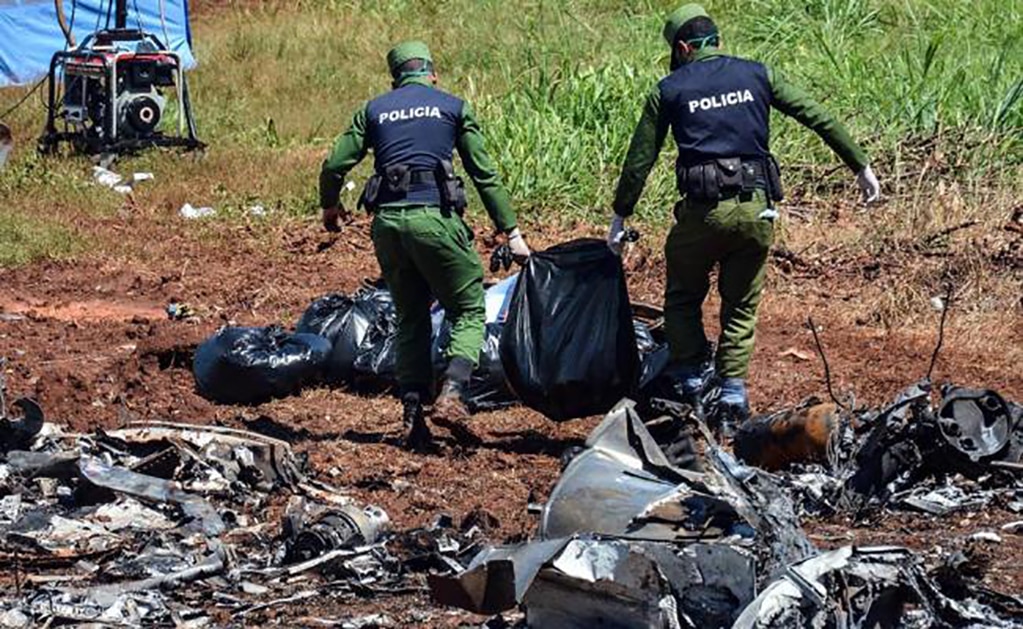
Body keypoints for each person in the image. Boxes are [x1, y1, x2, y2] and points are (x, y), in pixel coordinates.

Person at [607, 4, 880, 435]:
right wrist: (860, 165)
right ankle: (732, 396)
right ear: (717, 41)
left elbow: (641, 158)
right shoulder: (757, 74)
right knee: (740, 306)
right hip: (756, 210)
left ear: (682, 48)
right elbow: (818, 116)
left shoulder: (670, 89)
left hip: (702, 214)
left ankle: (691, 383)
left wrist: (621, 214)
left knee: (682, 298)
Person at [320, 41, 529, 451]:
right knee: (467, 308)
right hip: (436, 222)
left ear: (395, 79)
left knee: (411, 317)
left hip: (388, 227)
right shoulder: (452, 107)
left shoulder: (374, 110)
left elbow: (334, 164)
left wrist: (330, 205)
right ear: (433, 74)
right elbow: (484, 174)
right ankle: (452, 391)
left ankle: (413, 416)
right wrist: (512, 232)